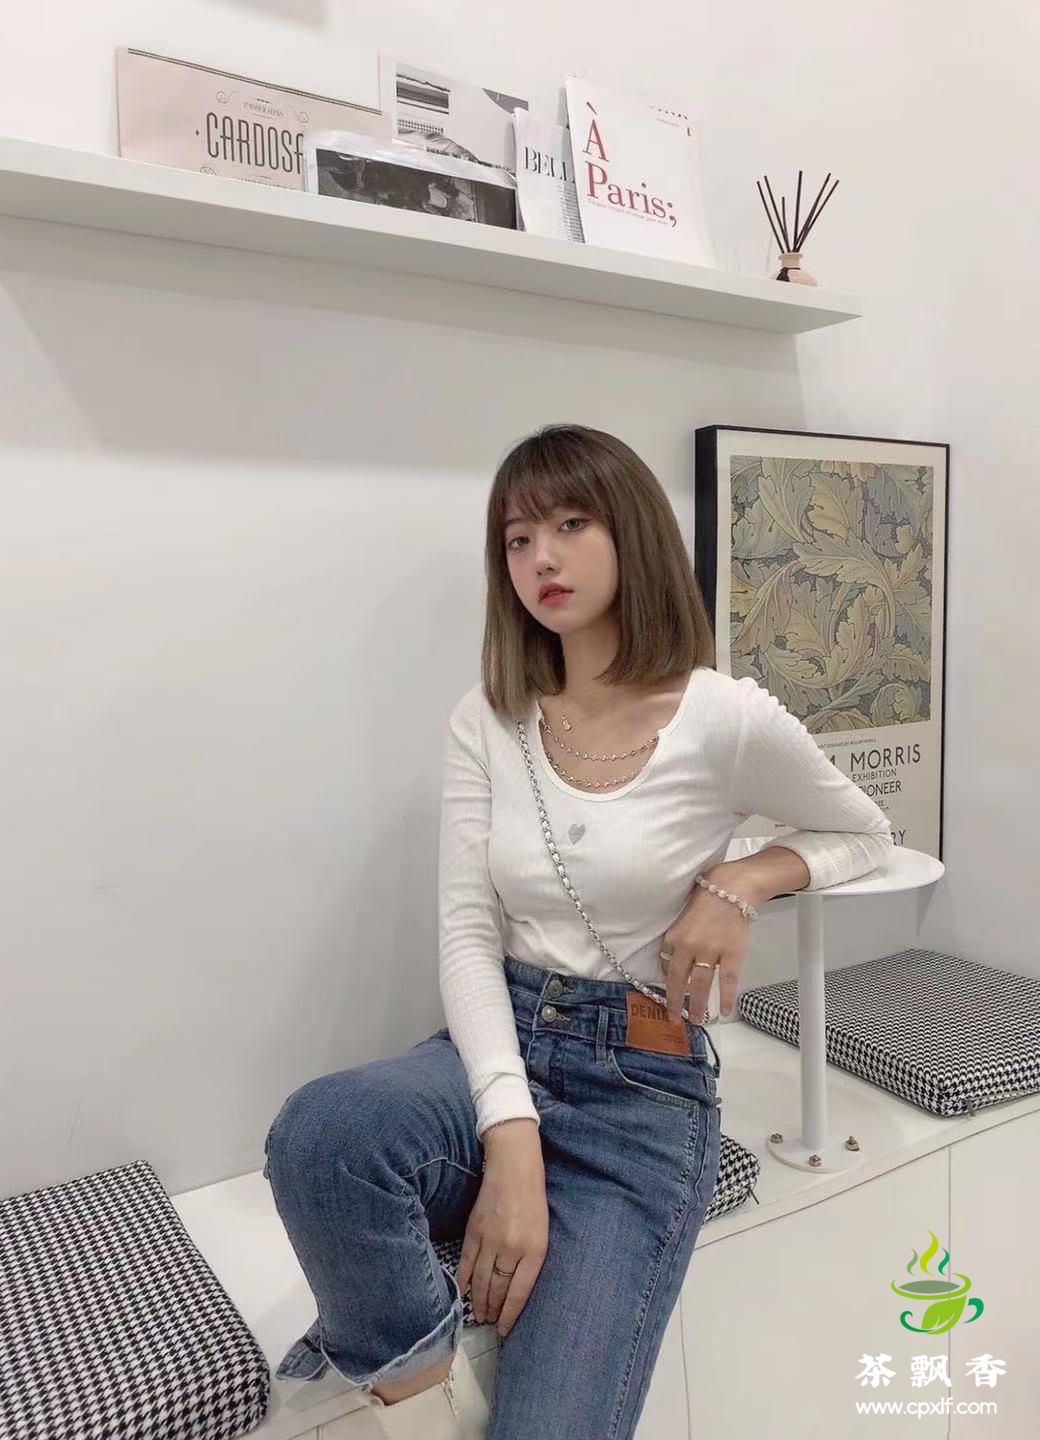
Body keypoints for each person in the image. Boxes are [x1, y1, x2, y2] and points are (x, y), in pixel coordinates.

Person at [263, 424, 894, 1438]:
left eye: (569, 525)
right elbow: (467, 936)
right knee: (323, 1138)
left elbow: (864, 833)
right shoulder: (488, 718)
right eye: (517, 539)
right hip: (501, 1041)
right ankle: (419, 1400)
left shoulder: (722, 716)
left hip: (642, 1096)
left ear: (630, 533)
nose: (540, 559)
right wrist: (509, 1139)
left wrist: (740, 881)